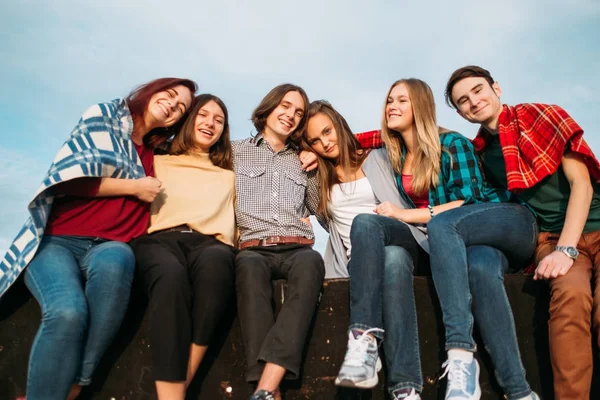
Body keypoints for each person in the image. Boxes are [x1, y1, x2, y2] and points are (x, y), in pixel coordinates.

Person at [0, 78, 196, 400]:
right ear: (152, 90)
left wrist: (307, 155)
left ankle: (77, 382)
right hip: (58, 241)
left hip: (110, 245)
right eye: (171, 95)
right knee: (67, 312)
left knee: (119, 260)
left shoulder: (156, 153)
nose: (173, 106)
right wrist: (133, 187)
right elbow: (64, 182)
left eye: (181, 108)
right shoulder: (104, 116)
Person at [350, 78, 540, 400]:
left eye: (401, 101)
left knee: (446, 229)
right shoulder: (396, 154)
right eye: (388, 101)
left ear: (420, 106)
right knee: (474, 267)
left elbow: (467, 202)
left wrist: (403, 214)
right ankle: (365, 342)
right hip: (454, 243)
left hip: (495, 224)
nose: (391, 107)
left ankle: (461, 352)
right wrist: (309, 148)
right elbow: (355, 139)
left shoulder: (452, 143)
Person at [445, 65, 600, 400]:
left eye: (478, 90)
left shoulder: (543, 116)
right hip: (550, 239)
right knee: (569, 297)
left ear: (496, 88)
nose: (473, 101)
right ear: (460, 113)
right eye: (463, 101)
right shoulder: (481, 153)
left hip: (591, 226)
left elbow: (582, 185)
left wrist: (568, 250)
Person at [303, 99, 428, 400]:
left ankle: (364, 337)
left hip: (403, 235)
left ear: (339, 123)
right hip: (361, 262)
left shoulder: (380, 156)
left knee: (367, 224)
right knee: (392, 260)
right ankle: (406, 389)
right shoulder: (316, 180)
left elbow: (403, 133)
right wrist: (298, 154)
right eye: (315, 141)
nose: (325, 143)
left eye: (328, 131)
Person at [130, 94, 236, 400]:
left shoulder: (229, 173)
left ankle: (176, 389)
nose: (210, 123)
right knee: (170, 275)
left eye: (219, 120)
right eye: (204, 115)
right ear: (188, 120)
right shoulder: (156, 160)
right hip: (159, 239)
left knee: (217, 267)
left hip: (210, 243)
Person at [232, 84, 325, 400]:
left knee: (313, 264)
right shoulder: (234, 151)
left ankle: (265, 388)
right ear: (269, 108)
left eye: (298, 112)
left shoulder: (303, 160)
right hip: (252, 247)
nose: (290, 115)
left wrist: (316, 162)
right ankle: (270, 390)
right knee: (247, 273)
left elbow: (316, 206)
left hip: (297, 246)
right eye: (285, 106)